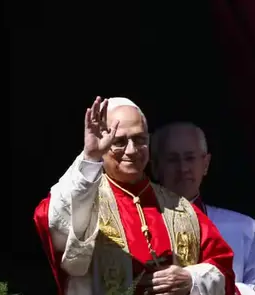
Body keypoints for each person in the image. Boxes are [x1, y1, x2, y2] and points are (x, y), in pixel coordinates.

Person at [33, 97, 237, 295]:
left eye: (140, 139)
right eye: (119, 141)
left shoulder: (180, 207)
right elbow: (51, 222)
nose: (132, 151)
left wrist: (191, 279)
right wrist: (90, 157)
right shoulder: (83, 197)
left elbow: (224, 270)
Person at [151, 122, 255, 295]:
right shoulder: (134, 226)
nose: (183, 168)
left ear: (206, 164)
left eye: (190, 158)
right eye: (172, 159)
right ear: (156, 167)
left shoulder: (243, 228)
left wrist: (212, 286)